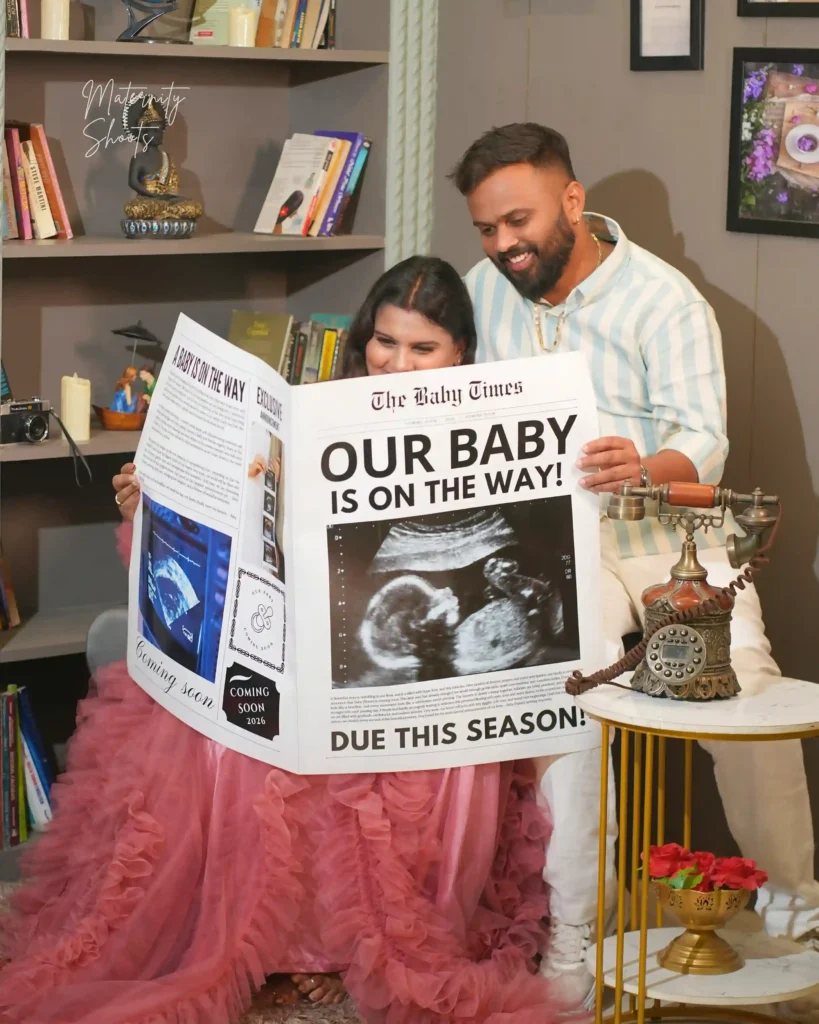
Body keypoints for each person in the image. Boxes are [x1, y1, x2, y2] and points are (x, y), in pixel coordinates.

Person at [0, 257, 576, 1024]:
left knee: (418, 764)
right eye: (384, 340)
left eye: (421, 347)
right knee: (228, 738)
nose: (394, 362)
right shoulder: (312, 416)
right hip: (296, 645)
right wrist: (152, 499)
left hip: (414, 668)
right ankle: (272, 947)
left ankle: (348, 953)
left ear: (460, 355)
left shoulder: (487, 432)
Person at [449, 122, 819, 1009]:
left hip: (662, 539)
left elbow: (706, 444)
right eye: (486, 230)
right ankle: (582, 923)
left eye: (518, 222)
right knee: (565, 701)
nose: (502, 246)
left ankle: (796, 901)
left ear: (572, 203)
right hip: (541, 543)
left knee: (745, 694)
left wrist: (642, 468)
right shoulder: (480, 289)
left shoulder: (664, 300)